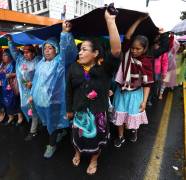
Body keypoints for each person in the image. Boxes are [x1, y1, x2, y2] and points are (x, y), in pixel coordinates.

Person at [66, 9, 121, 175]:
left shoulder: (104, 70)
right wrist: (69, 110)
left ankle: (94, 159)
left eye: (84, 49)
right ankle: (78, 152)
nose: (80, 52)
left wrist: (110, 21)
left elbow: (116, 51)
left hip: (98, 115)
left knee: (95, 140)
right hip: (79, 112)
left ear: (96, 53)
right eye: (80, 49)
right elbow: (68, 89)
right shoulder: (74, 67)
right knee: (78, 137)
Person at [113, 16, 170, 147]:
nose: (134, 51)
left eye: (138, 49)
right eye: (133, 48)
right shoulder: (127, 53)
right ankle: (121, 137)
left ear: (145, 49)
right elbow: (128, 36)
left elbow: (147, 84)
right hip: (121, 91)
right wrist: (138, 20)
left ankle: (133, 130)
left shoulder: (147, 61)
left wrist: (144, 101)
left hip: (136, 94)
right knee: (120, 116)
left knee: (133, 116)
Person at [29, 21, 77, 158]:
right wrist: (32, 94)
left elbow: (67, 52)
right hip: (41, 101)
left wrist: (65, 34)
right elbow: (36, 81)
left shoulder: (60, 62)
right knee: (50, 122)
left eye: (50, 48)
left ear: (56, 50)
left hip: (55, 100)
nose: (47, 51)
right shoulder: (40, 63)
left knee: (52, 122)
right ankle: (60, 132)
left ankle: (52, 145)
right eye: (45, 48)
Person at [7, 36, 40, 140]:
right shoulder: (21, 60)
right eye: (24, 51)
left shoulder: (38, 61)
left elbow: (42, 76)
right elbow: (14, 53)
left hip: (36, 90)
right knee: (27, 108)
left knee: (34, 109)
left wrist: (33, 83)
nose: (25, 53)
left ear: (33, 52)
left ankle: (33, 131)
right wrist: (10, 41)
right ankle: (37, 123)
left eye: (28, 51)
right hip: (24, 91)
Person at [0, 49, 22, 125]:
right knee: (7, 102)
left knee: (16, 101)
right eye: (3, 55)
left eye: (5, 55)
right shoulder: (2, 64)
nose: (3, 57)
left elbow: (20, 73)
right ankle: (10, 117)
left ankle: (20, 117)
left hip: (13, 85)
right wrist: (0, 80)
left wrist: (12, 75)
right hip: (4, 86)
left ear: (10, 55)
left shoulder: (14, 63)